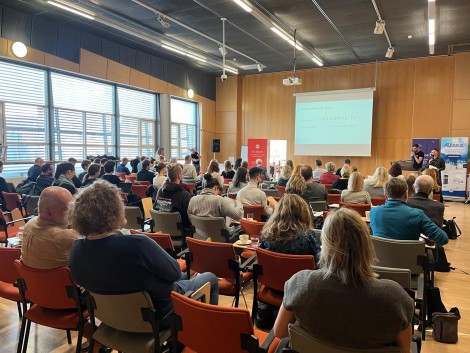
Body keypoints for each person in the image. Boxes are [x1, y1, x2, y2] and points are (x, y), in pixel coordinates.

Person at [68, 180, 219, 321]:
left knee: (182, 278)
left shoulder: (76, 250)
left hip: (112, 318)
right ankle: (203, 332)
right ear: (113, 211)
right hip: (161, 314)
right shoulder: (138, 244)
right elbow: (173, 273)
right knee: (210, 277)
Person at [274, 208, 414, 352]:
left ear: (326, 245)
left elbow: (279, 333)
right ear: (367, 244)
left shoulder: (301, 284)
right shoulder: (394, 297)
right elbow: (405, 350)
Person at [256, 194, 322, 329]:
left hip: (272, 285)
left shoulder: (267, 233)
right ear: (303, 212)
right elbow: (320, 262)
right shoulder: (308, 236)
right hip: (301, 290)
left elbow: (260, 259)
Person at [369, 178, 448, 246]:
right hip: (410, 262)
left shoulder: (374, 212)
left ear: (385, 196)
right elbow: (443, 239)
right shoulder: (417, 215)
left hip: (378, 261)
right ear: (406, 195)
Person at [21, 187, 79, 269]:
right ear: (49, 213)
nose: (72, 213)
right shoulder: (69, 237)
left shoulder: (29, 224)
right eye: (67, 209)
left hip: (32, 280)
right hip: (62, 281)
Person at [188, 174, 243, 239]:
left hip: (199, 240)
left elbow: (191, 220)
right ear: (216, 188)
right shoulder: (219, 200)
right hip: (219, 242)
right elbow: (239, 216)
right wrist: (239, 203)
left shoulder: (192, 200)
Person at [155, 163, 192, 228]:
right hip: (180, 233)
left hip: (162, 229)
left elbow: (158, 209)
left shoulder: (160, 191)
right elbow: (188, 218)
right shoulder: (184, 195)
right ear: (179, 176)